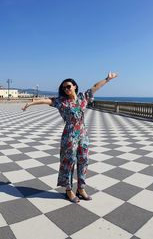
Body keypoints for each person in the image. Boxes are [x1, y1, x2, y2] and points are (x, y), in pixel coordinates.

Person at [22, 72, 118, 203]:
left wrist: (108, 79)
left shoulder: (83, 97)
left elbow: (95, 87)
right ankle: (68, 190)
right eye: (64, 88)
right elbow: (47, 101)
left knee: (83, 160)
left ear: (74, 86)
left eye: (68, 86)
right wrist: (31, 103)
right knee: (69, 162)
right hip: (69, 134)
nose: (66, 89)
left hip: (83, 134)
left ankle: (81, 188)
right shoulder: (62, 102)